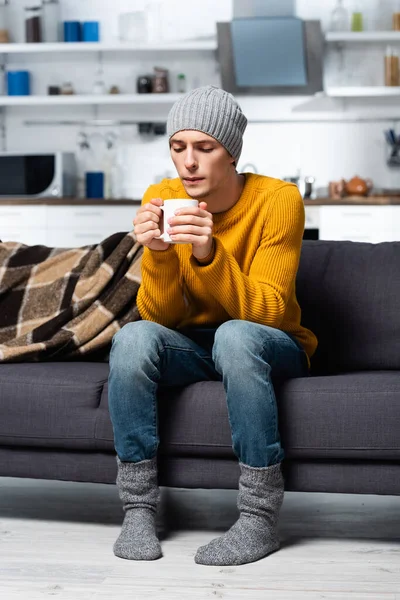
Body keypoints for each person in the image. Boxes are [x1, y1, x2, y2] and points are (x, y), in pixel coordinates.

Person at [108, 85, 318, 566]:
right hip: (196, 345)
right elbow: (161, 318)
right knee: (133, 336)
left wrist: (208, 254)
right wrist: (157, 255)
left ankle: (258, 518)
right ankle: (138, 510)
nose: (189, 164)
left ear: (232, 154)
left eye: (205, 148)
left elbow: (265, 310)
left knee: (236, 334)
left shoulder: (277, 200)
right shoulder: (162, 197)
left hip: (270, 342)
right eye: (178, 148)